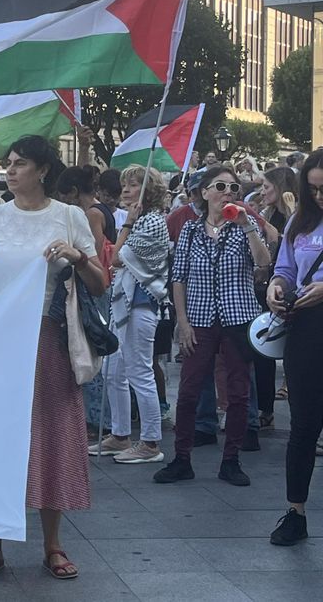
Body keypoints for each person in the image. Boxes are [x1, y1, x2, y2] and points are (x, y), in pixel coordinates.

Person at [0, 135, 106, 581]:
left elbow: (99, 283)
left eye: (20, 163)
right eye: (9, 162)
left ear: (43, 170)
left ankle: (53, 544)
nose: (11, 169)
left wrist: (78, 256)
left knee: (53, 437)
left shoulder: (69, 216)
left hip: (49, 340)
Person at [155, 166, 271, 487]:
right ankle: (181, 459)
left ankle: (231, 460)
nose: (227, 193)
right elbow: (178, 279)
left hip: (237, 318)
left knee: (238, 392)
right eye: (220, 186)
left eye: (234, 188)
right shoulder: (190, 230)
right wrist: (183, 321)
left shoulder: (244, 228)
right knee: (190, 390)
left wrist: (247, 223)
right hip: (200, 319)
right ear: (204, 192)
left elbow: (263, 263)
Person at [90, 166, 170, 464]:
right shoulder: (139, 221)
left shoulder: (151, 222)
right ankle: (120, 435)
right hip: (124, 304)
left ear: (147, 191)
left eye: (133, 184)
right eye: (125, 184)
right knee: (114, 371)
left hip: (142, 305)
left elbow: (116, 256)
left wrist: (127, 225)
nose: (125, 189)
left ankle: (150, 442)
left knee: (139, 371)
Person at [268, 151, 323, 546]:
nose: (320, 195)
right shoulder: (298, 223)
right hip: (306, 328)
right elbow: (286, 269)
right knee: (303, 424)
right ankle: (295, 512)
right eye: (314, 187)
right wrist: (277, 286)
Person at [258, 167, 296, 411]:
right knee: (264, 350)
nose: (262, 192)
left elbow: (294, 248)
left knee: (294, 354)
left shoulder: (299, 214)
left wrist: (292, 211)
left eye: (266, 187)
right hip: (270, 288)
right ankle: (265, 408)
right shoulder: (267, 214)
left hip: (296, 293)